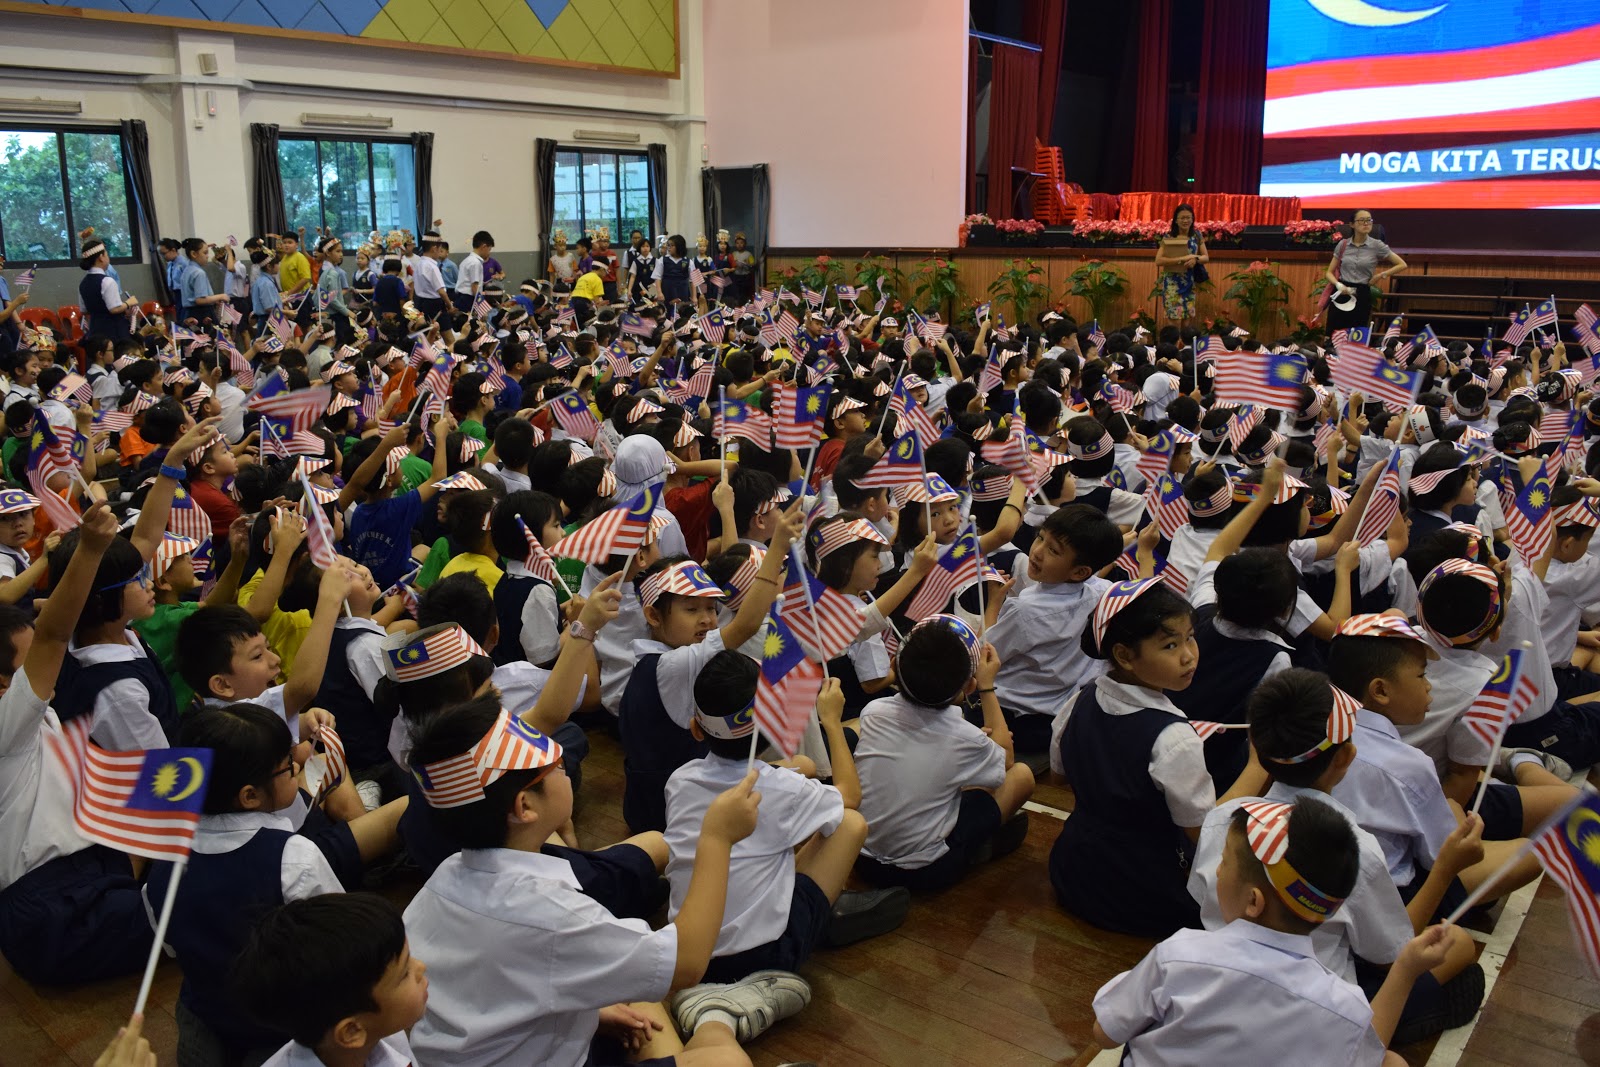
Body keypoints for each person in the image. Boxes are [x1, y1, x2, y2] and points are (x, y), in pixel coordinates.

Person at [402, 692, 804, 1066]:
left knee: (634, 994)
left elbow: (491, 987)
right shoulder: (548, 915)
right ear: (524, 806)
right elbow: (686, 962)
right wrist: (716, 838)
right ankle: (715, 1020)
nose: (564, 766)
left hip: (509, 1048)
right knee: (725, 1060)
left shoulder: (441, 882)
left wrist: (590, 1014)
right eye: (556, 765)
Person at [1094, 795, 1451, 1066]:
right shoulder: (1344, 1003)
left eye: (1225, 862)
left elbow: (1105, 1033)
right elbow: (1365, 1054)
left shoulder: (1178, 956)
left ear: (1254, 901)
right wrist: (1405, 970)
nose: (1217, 871)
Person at [1050, 578, 1268, 938]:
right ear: (1124, 656)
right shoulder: (1173, 738)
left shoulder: (1080, 699)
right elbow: (1203, 832)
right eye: (1170, 645)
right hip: (1140, 892)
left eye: (1190, 637)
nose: (1189, 655)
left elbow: (1058, 777)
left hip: (1072, 869)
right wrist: (1258, 766)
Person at [854, 614, 1036, 891]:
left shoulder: (872, 712)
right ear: (970, 685)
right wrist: (987, 687)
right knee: (1022, 776)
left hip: (860, 859)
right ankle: (974, 851)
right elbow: (1007, 759)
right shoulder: (966, 738)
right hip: (926, 872)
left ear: (894, 667)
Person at [988, 504, 1123, 755]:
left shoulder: (1025, 611)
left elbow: (985, 657)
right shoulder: (1103, 594)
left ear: (1080, 571)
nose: (1037, 552)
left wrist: (993, 604)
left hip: (1012, 722)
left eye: (1053, 550)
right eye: (1040, 538)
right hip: (1056, 719)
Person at [232, 893, 427, 1067]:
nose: (420, 967)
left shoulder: (381, 1033)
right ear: (351, 1031)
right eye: (404, 974)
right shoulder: (379, 1027)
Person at [1325, 210, 1408, 331]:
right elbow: (1329, 272)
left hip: (1362, 292)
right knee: (1335, 333)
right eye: (1361, 220)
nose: (1366, 223)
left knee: (1358, 333)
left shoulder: (1377, 245)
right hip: (1342, 291)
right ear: (1352, 224)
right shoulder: (1343, 244)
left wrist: (1380, 275)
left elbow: (1402, 264)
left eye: (1369, 220)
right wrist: (1338, 284)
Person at [1152, 203, 1208, 326]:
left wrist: (1195, 259)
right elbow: (1158, 260)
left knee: (1186, 324)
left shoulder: (1196, 235)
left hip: (1189, 284)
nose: (1185, 221)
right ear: (1176, 220)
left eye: (1188, 217)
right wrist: (1183, 259)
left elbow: (1205, 257)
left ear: (1192, 219)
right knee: (1175, 323)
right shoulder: (1169, 237)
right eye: (1182, 218)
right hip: (1172, 286)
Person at [79, 237, 136, 341]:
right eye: (107, 254)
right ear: (101, 257)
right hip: (113, 332)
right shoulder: (107, 281)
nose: (108, 258)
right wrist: (129, 302)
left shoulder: (83, 283)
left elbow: (84, 310)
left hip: (95, 332)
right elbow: (114, 309)